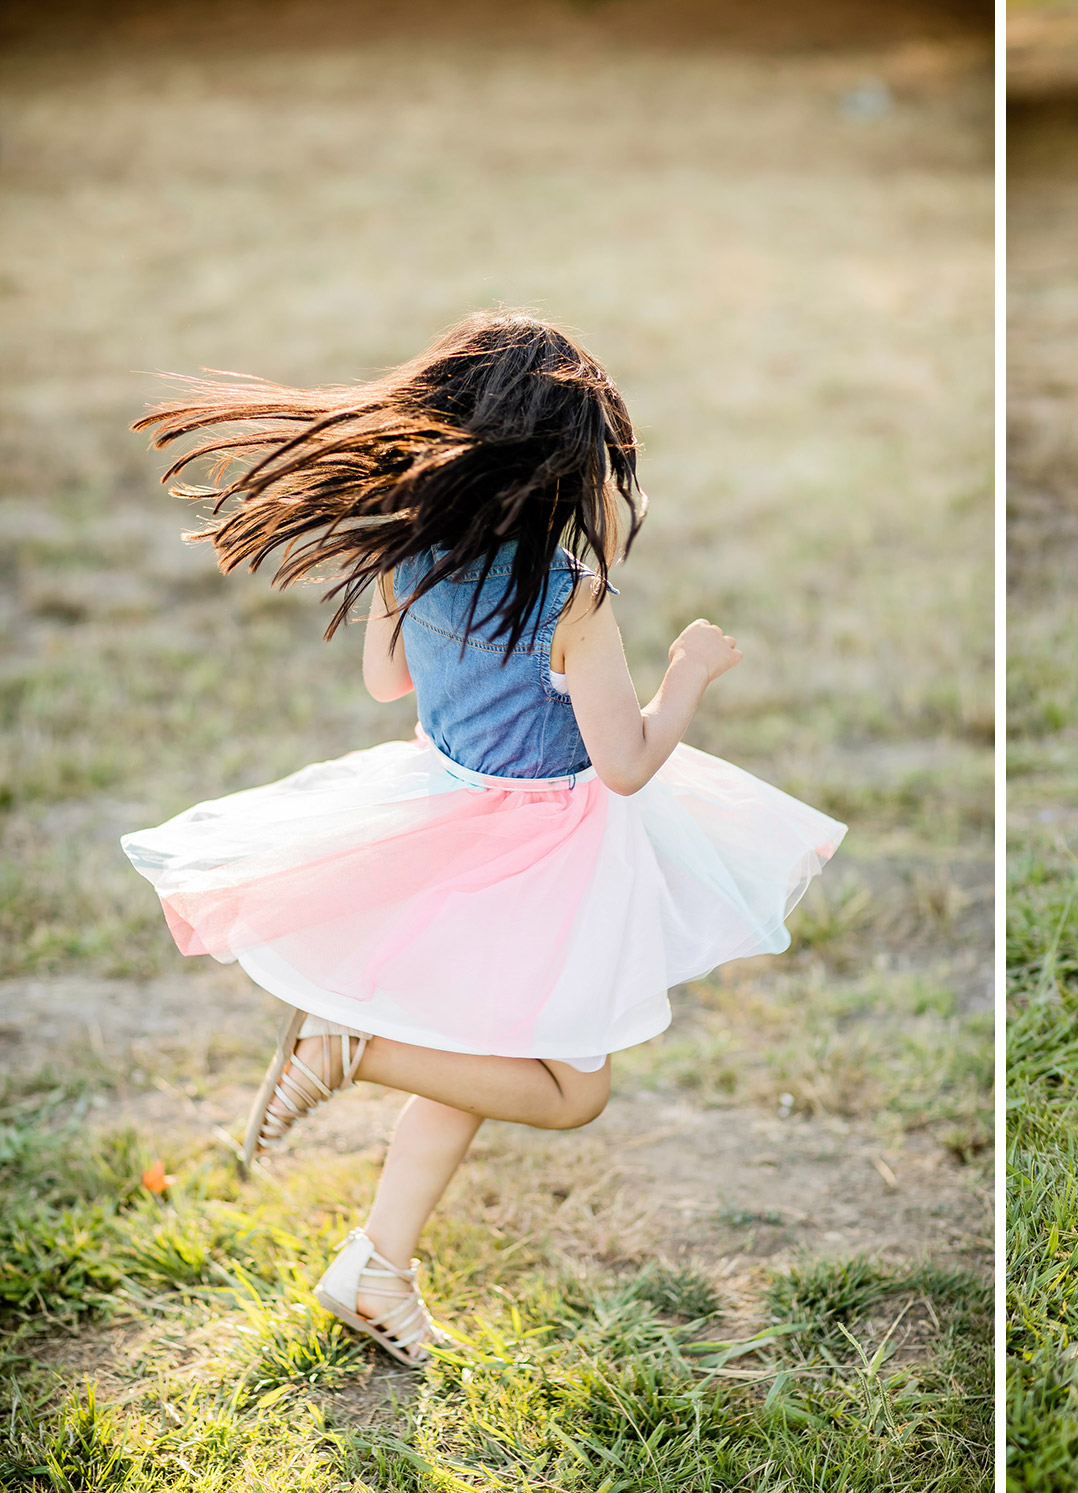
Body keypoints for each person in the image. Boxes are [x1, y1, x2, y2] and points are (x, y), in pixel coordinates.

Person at [122, 311, 844, 1363]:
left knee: (473, 1059)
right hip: (547, 853)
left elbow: (385, 683)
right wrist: (688, 671)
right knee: (570, 1088)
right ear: (560, 467)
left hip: (447, 819)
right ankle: (348, 1046)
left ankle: (376, 1265)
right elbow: (626, 762)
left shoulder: (410, 552)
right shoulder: (573, 597)